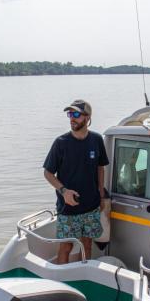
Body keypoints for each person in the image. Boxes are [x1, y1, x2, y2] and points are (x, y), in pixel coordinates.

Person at [43, 99, 109, 264]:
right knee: (66, 247)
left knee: (87, 244)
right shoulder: (61, 143)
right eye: (70, 114)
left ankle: (84, 276)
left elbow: (100, 168)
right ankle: (61, 281)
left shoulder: (96, 140)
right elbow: (48, 173)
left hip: (91, 206)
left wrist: (101, 194)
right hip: (68, 208)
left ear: (87, 118)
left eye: (77, 114)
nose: (72, 118)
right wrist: (64, 191)